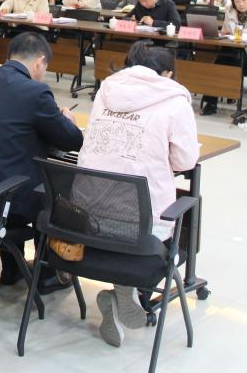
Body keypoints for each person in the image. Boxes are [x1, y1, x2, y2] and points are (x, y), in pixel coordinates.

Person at [75, 43, 198, 348]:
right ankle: (124, 290)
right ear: (167, 74)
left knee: (120, 199)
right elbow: (185, 161)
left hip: (87, 220)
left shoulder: (106, 89)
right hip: (141, 231)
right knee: (158, 213)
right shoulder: (175, 100)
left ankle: (120, 293)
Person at [0, 32, 83, 285]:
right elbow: (72, 141)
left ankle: (12, 268)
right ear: (40, 61)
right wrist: (67, 121)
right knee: (53, 192)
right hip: (6, 202)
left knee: (11, 163)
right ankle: (46, 275)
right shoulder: (36, 92)